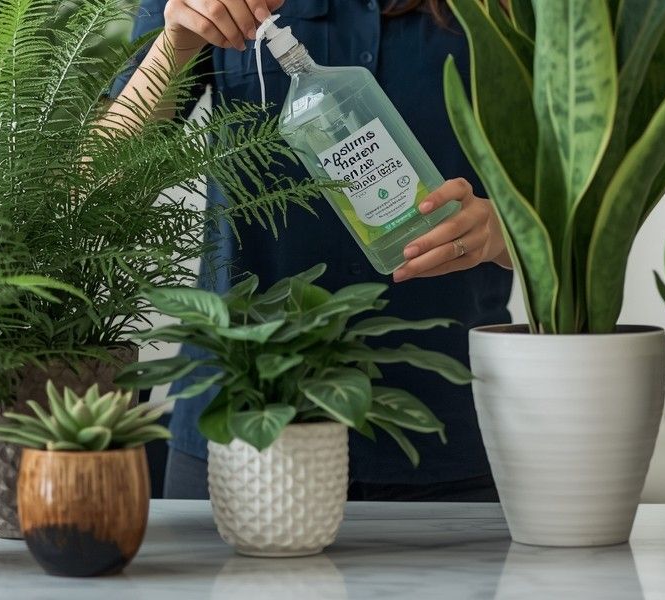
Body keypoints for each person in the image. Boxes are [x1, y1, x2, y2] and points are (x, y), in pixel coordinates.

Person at [106, 0, 513, 501]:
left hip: (446, 434)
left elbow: (581, 210)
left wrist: (504, 232)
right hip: (244, 430)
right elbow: (100, 188)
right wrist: (176, 43)